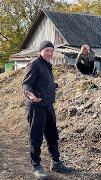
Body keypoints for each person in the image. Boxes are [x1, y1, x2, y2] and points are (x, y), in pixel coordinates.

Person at [22, 41, 72, 179]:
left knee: (52, 135)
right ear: (40, 51)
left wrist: (53, 85)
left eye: (51, 50)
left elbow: (43, 82)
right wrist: (30, 95)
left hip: (48, 105)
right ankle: (36, 166)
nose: (49, 53)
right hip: (36, 107)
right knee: (36, 137)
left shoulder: (47, 65)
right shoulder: (34, 64)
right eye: (46, 51)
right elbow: (26, 84)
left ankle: (56, 162)